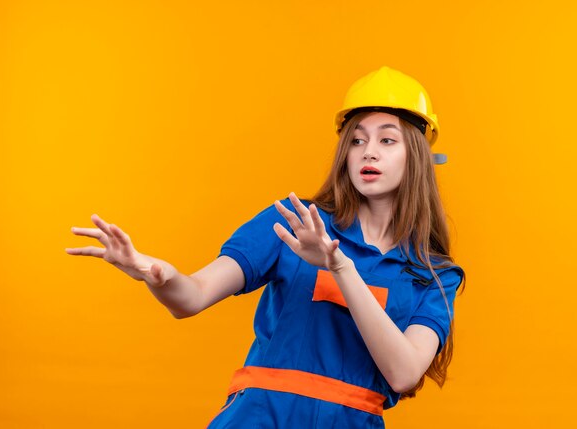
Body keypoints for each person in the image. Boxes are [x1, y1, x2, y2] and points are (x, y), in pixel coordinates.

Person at [66, 66, 466, 428]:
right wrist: (159, 275)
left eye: (387, 140)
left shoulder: (434, 275)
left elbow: (403, 373)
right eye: (357, 140)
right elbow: (191, 297)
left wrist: (340, 267)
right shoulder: (296, 221)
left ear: (417, 155)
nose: (369, 151)